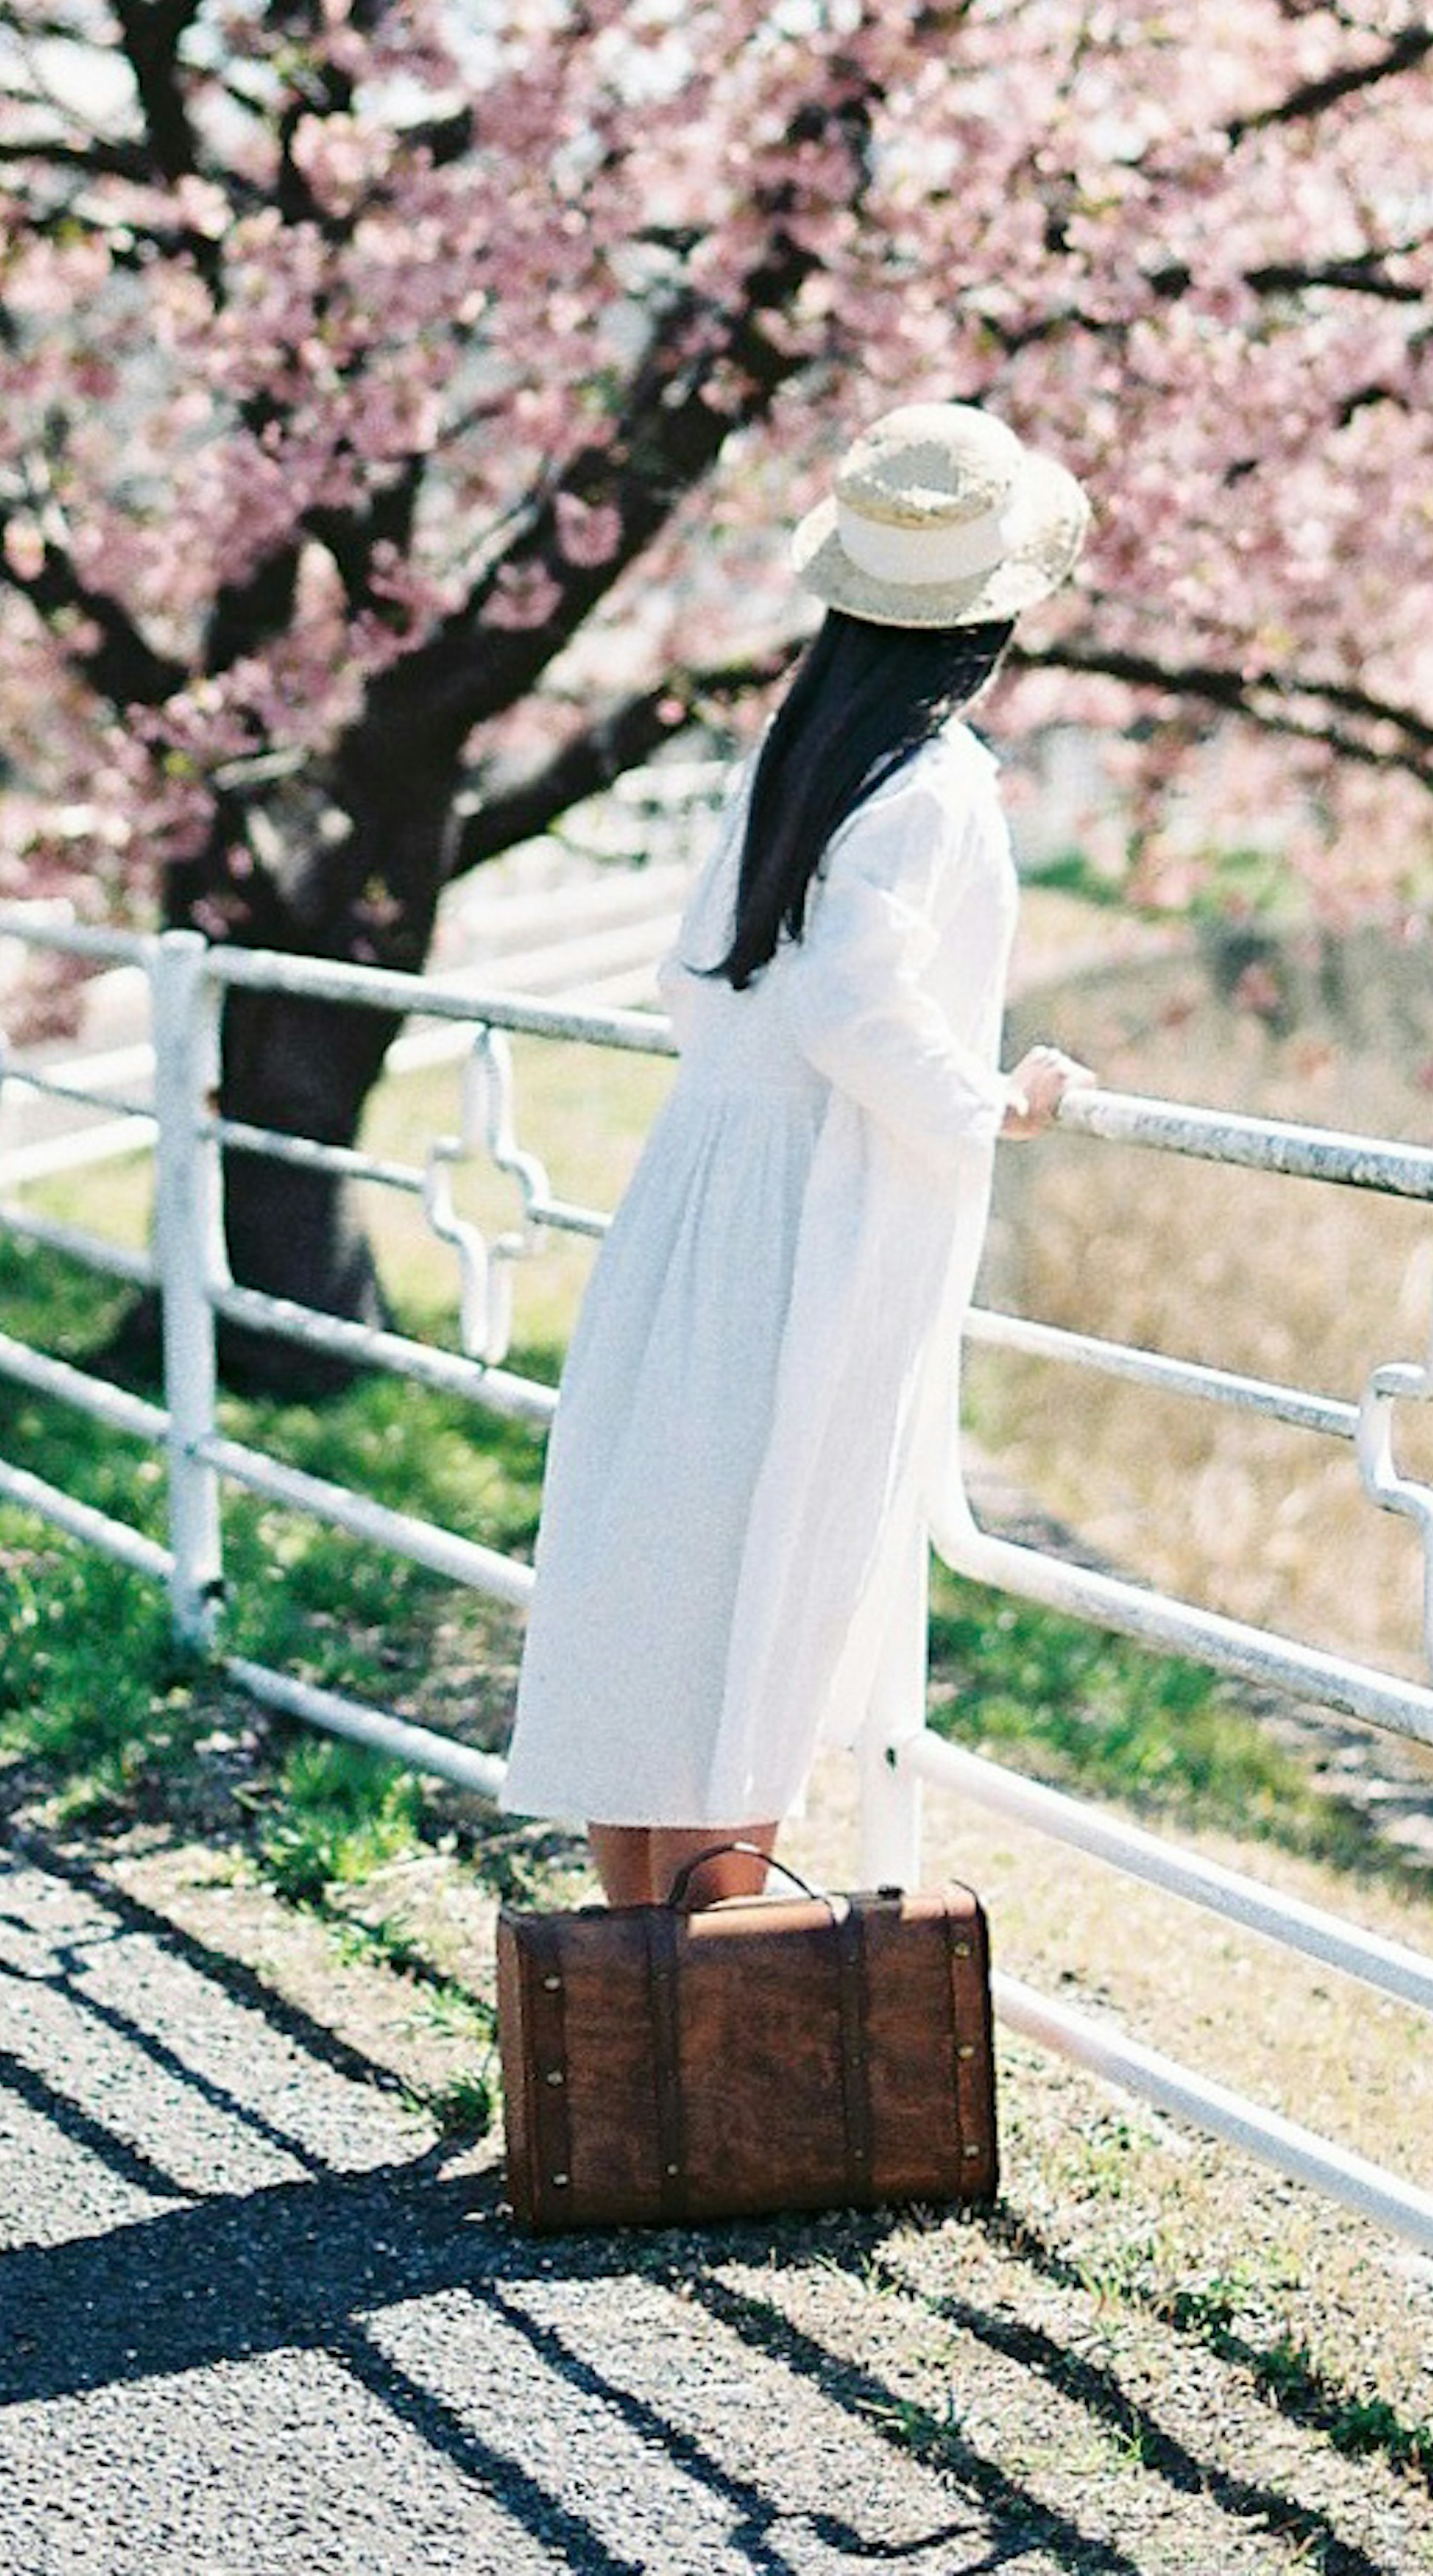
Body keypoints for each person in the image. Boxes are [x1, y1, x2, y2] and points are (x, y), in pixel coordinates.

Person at [500, 398, 1093, 1911]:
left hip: (705, 1181)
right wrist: (993, 1102)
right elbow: (849, 995)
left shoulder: (809, 742)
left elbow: (703, 972)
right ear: (999, 607)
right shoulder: (937, 775)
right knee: (763, 1593)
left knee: (669, 1588)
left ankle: (638, 1994)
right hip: (811, 1213)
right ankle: (705, 2026)